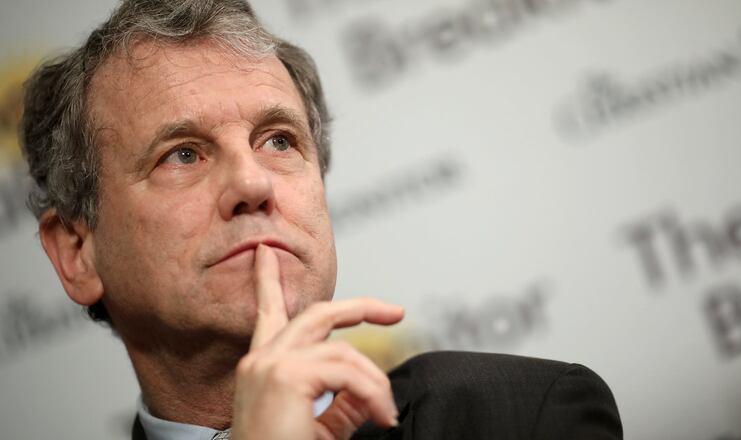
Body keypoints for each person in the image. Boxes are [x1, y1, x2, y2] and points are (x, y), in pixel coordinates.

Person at [20, 1, 623, 439]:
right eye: (183, 155)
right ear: (77, 251)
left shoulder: (519, 416)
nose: (253, 184)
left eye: (278, 141)